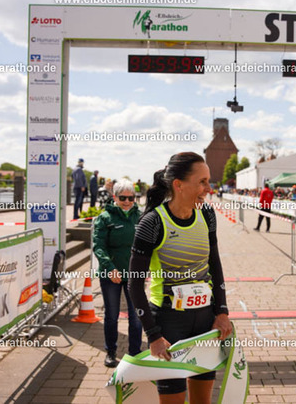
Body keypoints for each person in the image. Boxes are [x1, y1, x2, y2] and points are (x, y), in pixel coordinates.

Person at [128, 152, 232, 403]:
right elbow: (134, 285)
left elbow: (215, 265)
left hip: (205, 319)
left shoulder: (207, 214)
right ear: (179, 185)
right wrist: (153, 335)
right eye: (202, 182)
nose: (209, 189)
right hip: (168, 321)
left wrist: (222, 312)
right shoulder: (152, 222)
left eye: (208, 181)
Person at [92, 179, 143, 367]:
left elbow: (148, 245)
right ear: (115, 197)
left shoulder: (141, 217)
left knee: (136, 315)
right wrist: (110, 267)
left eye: (131, 198)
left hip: (134, 275)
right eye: (123, 198)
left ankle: (135, 354)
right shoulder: (105, 218)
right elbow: (98, 246)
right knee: (112, 315)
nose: (127, 201)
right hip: (111, 274)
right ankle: (111, 352)